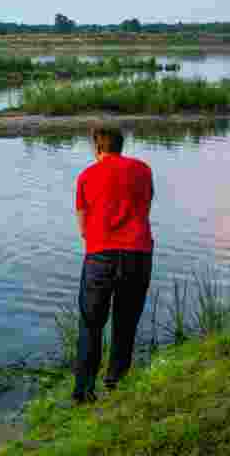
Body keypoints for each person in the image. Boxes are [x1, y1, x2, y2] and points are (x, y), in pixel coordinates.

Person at [72, 126, 154, 404]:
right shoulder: (143, 170)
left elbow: (83, 227)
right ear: (121, 146)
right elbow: (145, 208)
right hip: (138, 255)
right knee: (126, 321)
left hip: (100, 256)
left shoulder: (86, 176)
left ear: (97, 148)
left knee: (91, 324)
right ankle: (116, 381)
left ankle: (84, 391)